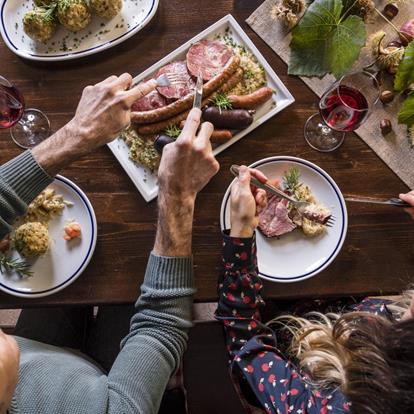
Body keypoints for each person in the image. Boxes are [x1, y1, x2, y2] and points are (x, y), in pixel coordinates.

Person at [0, 73, 219, 413]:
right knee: (132, 272)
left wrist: (78, 132)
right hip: (100, 397)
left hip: (39, 355)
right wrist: (177, 197)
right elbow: (160, 327)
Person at [216, 165, 414, 414]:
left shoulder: (318, 406)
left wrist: (241, 232)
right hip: (332, 299)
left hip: (276, 333)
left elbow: (242, 335)